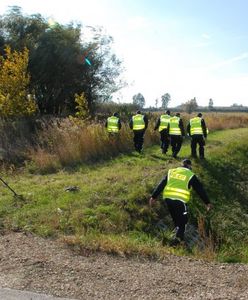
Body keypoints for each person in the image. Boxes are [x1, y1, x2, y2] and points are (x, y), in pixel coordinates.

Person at [149, 159, 212, 246]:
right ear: (190, 166)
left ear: (182, 165)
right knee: (183, 221)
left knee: (177, 220)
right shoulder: (190, 175)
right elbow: (199, 189)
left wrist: (153, 197)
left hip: (168, 200)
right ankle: (177, 242)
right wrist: (207, 202)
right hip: (180, 201)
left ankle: (178, 240)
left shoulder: (172, 172)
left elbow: (162, 184)